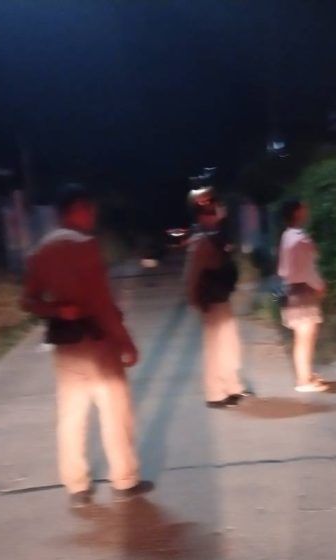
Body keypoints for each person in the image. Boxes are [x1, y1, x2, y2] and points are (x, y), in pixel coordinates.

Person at [21, 184, 153, 507]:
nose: (93, 215)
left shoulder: (40, 252)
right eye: (89, 209)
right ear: (77, 209)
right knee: (115, 410)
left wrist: (56, 311)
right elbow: (101, 303)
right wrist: (125, 341)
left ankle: (76, 486)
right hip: (97, 342)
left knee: (71, 414)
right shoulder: (85, 246)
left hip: (66, 346)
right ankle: (124, 480)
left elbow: (27, 301)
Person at [184, 187, 247, 409]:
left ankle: (232, 387)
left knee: (229, 344)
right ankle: (215, 393)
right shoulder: (200, 240)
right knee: (215, 347)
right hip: (211, 298)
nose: (215, 213)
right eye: (210, 211)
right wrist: (193, 297)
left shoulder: (216, 235)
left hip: (221, 296)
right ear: (202, 216)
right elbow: (192, 274)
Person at [278, 200, 328, 393]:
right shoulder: (300, 239)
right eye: (303, 208)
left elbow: (286, 269)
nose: (307, 210)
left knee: (304, 336)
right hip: (303, 292)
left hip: (293, 290)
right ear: (297, 213)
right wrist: (320, 285)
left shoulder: (287, 236)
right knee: (304, 337)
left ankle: (306, 375)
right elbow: (307, 269)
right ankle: (303, 380)